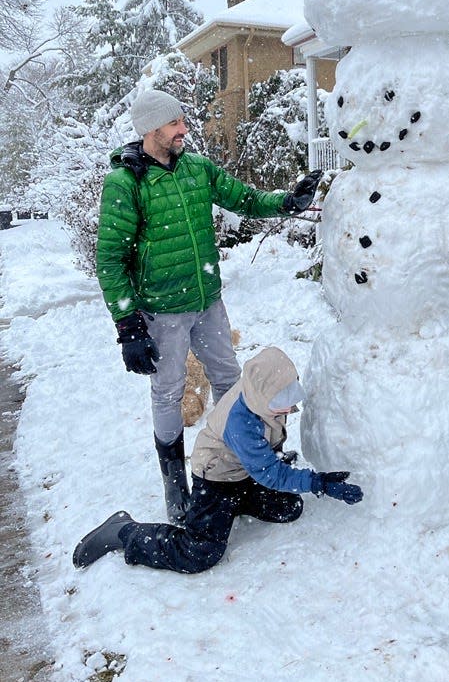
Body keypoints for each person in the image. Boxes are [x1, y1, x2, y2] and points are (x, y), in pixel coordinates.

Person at [95, 87, 322, 525]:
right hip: (162, 311)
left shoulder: (197, 168)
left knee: (230, 379)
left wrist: (288, 202)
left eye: (183, 120)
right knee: (168, 390)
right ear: (150, 129)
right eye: (175, 123)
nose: (184, 129)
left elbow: (245, 199)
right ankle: (176, 486)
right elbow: (110, 258)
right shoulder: (126, 183)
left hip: (207, 301)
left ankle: (239, 465)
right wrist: (127, 324)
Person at [73, 346, 363, 573]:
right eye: (283, 398)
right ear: (264, 397)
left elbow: (267, 466)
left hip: (244, 473)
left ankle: (238, 501)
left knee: (290, 507)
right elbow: (271, 474)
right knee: (201, 553)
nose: (290, 405)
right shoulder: (242, 423)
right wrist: (318, 483)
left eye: (290, 392)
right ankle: (124, 532)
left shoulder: (260, 391)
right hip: (216, 477)